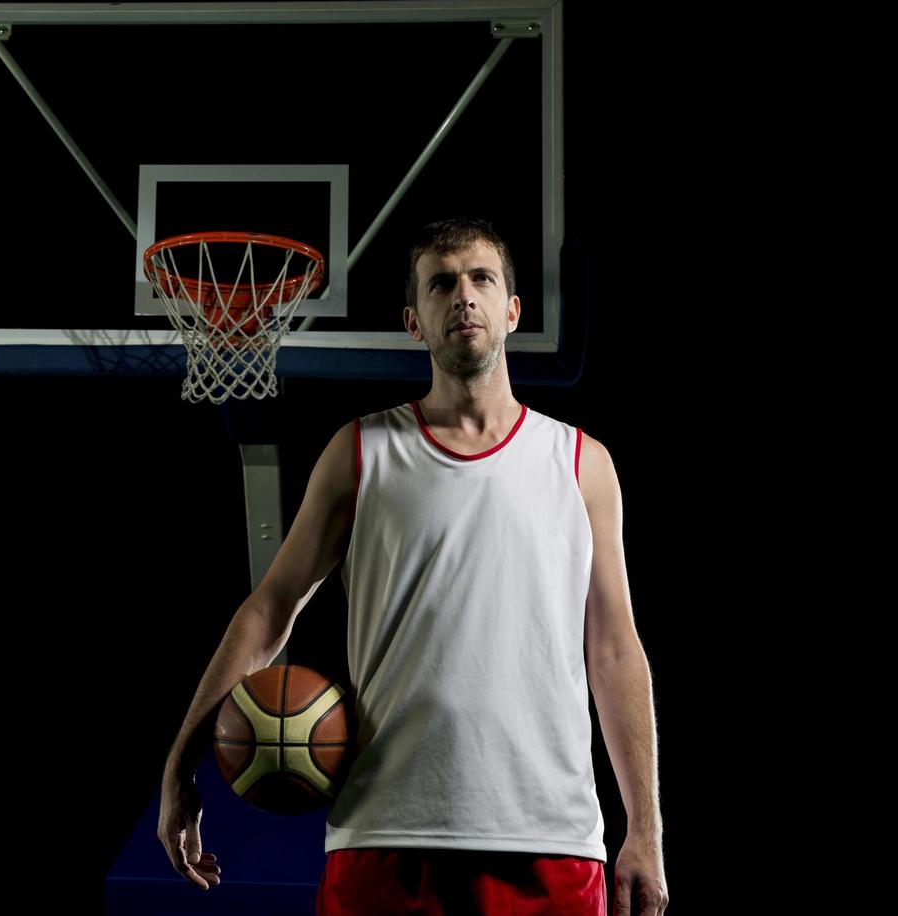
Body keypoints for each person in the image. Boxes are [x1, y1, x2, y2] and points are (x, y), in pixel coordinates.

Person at [157, 219, 668, 914]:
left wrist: (646, 828)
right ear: (412, 321)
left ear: (511, 311)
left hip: (549, 839)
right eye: (441, 283)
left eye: (481, 279)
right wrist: (180, 765)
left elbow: (613, 651)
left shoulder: (580, 464)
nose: (463, 296)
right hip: (384, 833)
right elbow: (269, 609)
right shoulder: (360, 451)